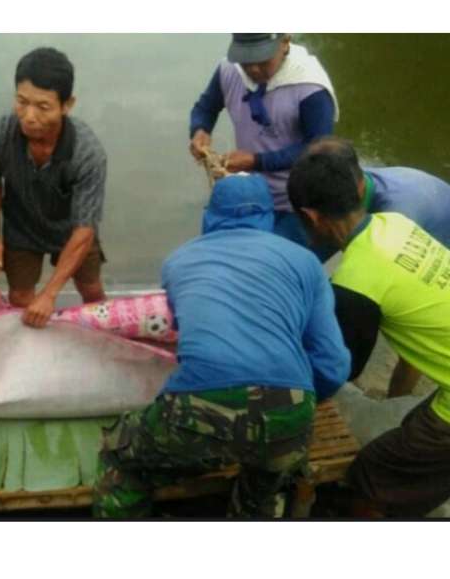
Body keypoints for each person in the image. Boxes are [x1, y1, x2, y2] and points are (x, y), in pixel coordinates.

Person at [91, 174, 349, 518]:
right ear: (268, 216)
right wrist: (291, 403)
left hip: (200, 407)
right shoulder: (306, 262)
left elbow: (186, 335)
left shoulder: (179, 261)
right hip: (291, 411)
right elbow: (333, 364)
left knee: (120, 457)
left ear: (210, 215)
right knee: (267, 481)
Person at [288, 150, 450, 517]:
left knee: (369, 474)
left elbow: (344, 370)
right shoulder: (395, 223)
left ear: (311, 217)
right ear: (359, 189)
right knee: (413, 435)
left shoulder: (357, 281)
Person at [294, 136, 450, 396]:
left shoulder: (400, 214)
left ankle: (397, 400)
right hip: (430, 204)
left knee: (413, 328)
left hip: (441, 224)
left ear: (311, 215)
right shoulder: (346, 183)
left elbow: (349, 363)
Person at [0, 47, 108, 328]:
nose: (29, 116)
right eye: (22, 102)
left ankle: (109, 337)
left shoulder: (87, 153)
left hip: (72, 229)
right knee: (20, 297)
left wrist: (50, 294)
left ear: (67, 105)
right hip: (22, 225)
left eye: (43, 106)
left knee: (92, 290)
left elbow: (85, 229)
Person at [189, 33, 339, 254]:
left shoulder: (310, 88)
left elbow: (319, 150)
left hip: (297, 204)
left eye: (262, 60)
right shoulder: (229, 70)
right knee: (228, 256)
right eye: (246, 60)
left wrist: (257, 161)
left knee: (272, 261)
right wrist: (200, 130)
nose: (253, 69)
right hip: (248, 197)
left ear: (285, 43)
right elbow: (206, 107)